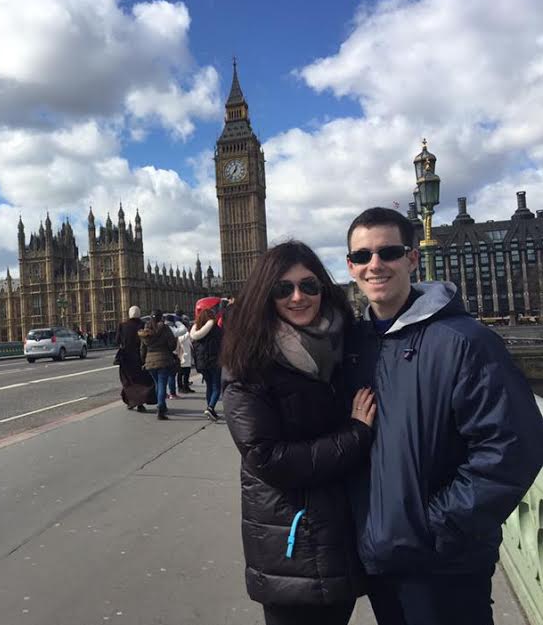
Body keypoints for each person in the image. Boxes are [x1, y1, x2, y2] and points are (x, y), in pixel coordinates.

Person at [344, 207, 543, 625]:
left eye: (388, 252)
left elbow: (513, 448)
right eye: (362, 256)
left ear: (412, 258)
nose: (374, 264)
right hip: (380, 560)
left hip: (444, 564)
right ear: (350, 267)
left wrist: (436, 526)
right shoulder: (355, 346)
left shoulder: (466, 341)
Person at [221, 240, 376, 625]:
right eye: (283, 288)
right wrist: (356, 434)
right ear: (264, 294)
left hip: (344, 538)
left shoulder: (345, 347)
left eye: (309, 285)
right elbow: (268, 459)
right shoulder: (249, 364)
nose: (297, 296)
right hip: (291, 549)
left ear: (324, 289)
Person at [115, 306, 156, 413]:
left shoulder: (122, 325)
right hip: (140, 358)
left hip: (126, 358)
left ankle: (131, 401)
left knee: (128, 381)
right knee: (141, 381)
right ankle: (139, 404)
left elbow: (117, 341)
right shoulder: (143, 325)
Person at [138, 308, 177, 420]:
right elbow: (172, 345)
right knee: (162, 385)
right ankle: (161, 407)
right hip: (164, 360)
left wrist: (143, 360)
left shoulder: (146, 331)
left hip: (150, 361)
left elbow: (142, 348)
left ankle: (162, 405)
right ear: (161, 318)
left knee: (157, 384)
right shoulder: (165, 329)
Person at [190, 308, 223, 421]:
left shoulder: (196, 331)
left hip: (201, 364)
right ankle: (210, 408)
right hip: (214, 361)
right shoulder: (216, 330)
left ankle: (210, 410)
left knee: (209, 386)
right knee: (216, 387)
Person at [176, 323, 195, 394]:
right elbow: (181, 339)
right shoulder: (180, 335)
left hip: (188, 358)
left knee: (187, 373)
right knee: (180, 373)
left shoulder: (187, 336)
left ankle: (186, 386)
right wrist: (188, 333)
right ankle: (180, 387)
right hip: (182, 357)